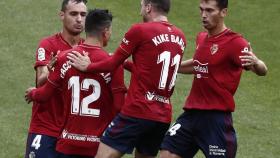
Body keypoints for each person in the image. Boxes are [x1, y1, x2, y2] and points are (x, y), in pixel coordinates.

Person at [67, 0, 186, 157]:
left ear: (149, 7)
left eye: (142, 5)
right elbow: (151, 71)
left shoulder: (140, 30)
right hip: (162, 117)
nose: (140, 10)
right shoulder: (180, 36)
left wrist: (88, 67)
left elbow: (111, 64)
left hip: (137, 111)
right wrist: (127, 64)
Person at [159, 0, 268, 158]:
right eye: (201, 10)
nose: (203, 15)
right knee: (167, 153)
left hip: (216, 119)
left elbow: (262, 71)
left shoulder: (235, 42)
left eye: (210, 11)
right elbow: (199, 65)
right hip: (192, 114)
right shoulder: (202, 38)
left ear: (223, 12)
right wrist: (170, 66)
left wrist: (257, 63)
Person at [25, 9, 127, 158]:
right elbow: (119, 107)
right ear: (105, 32)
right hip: (95, 147)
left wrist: (32, 93)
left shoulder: (64, 58)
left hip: (67, 143)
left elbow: (44, 94)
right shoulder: (112, 64)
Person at [25, 0, 87, 158]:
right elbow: (40, 80)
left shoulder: (87, 50)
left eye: (83, 14)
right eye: (73, 14)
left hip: (72, 132)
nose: (79, 19)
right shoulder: (48, 45)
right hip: (45, 127)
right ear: (62, 15)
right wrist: (52, 69)